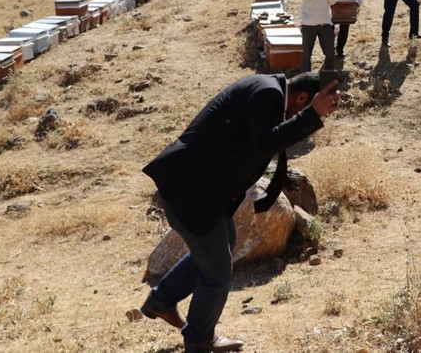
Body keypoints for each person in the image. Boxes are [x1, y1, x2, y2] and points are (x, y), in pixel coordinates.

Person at [139, 72, 340, 352]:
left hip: (201, 188)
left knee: (223, 245)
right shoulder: (268, 93)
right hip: (193, 190)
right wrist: (312, 116)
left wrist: (309, 116)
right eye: (302, 109)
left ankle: (162, 300)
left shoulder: (265, 88)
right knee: (219, 271)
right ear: (302, 98)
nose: (293, 117)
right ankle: (199, 339)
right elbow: (265, 143)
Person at [297, 0, 339, 72]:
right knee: (306, 54)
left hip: (325, 22)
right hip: (308, 24)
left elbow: (333, 0)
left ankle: (329, 77)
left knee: (330, 52)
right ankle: (305, 78)